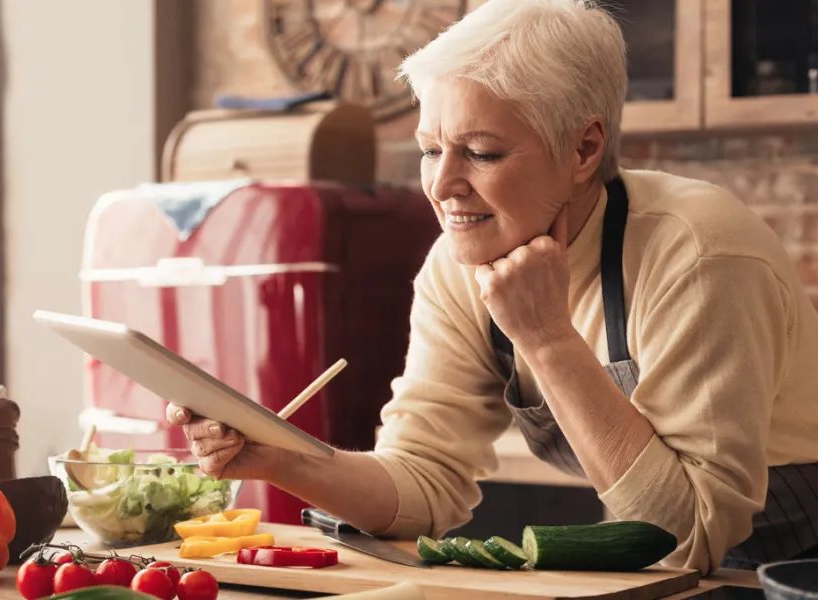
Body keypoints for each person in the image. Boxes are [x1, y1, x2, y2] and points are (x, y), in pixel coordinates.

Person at [167, 0, 818, 575]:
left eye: (480, 152)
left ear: (584, 149)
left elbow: (688, 537)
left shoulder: (697, 253)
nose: (441, 185)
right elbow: (421, 481)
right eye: (431, 150)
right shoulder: (458, 265)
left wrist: (546, 338)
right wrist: (278, 457)